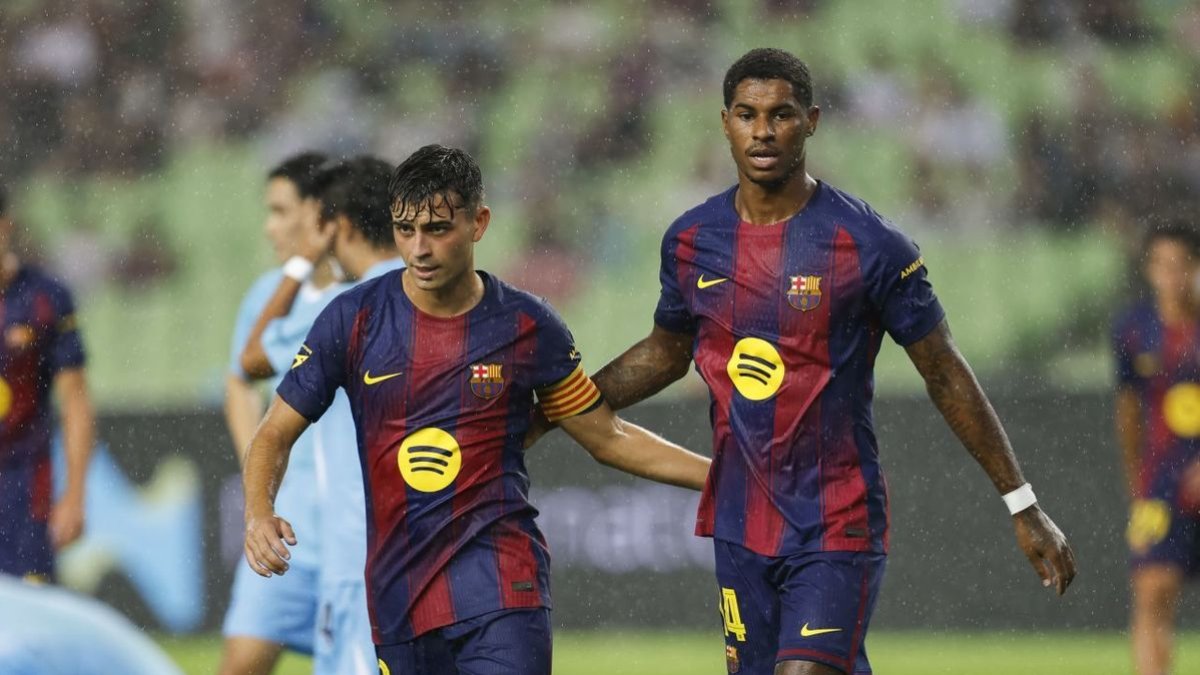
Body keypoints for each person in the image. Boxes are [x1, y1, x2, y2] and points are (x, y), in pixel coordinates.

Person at [575, 48, 1077, 675]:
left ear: (811, 121)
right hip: (740, 520)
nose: (763, 131)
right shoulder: (690, 240)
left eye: (781, 114)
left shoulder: (869, 244)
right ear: (725, 123)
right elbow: (666, 352)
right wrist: (569, 400)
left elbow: (944, 370)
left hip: (836, 519)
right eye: (747, 114)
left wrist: (1021, 502)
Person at [241, 144, 711, 675]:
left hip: (503, 586)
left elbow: (608, 437)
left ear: (478, 223)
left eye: (437, 229)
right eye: (405, 229)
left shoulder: (527, 325)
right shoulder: (353, 319)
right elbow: (274, 431)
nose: (419, 248)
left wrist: (720, 477)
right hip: (399, 595)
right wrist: (258, 513)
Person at [220, 152, 341, 675]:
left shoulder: (363, 296)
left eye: (280, 211)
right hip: (287, 525)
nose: (270, 227)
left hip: (353, 531)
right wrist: (260, 468)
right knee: (241, 663)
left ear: (318, 213)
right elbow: (239, 378)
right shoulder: (268, 295)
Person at [298, 156, 404, 675]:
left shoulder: (340, 311)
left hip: (356, 552)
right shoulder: (438, 298)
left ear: (337, 226)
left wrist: (301, 265)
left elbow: (251, 358)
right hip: (420, 554)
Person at [1114, 224, 1200, 675]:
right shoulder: (1133, 330)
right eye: (1163, 265)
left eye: (1181, 265)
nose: (1172, 275)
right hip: (1162, 480)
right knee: (1151, 591)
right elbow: (1128, 411)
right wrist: (1138, 480)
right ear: (1150, 270)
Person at [0, 183, 95, 582]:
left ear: (6, 225)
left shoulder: (45, 299)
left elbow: (75, 400)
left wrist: (75, 494)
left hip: (24, 488)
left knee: (28, 610)